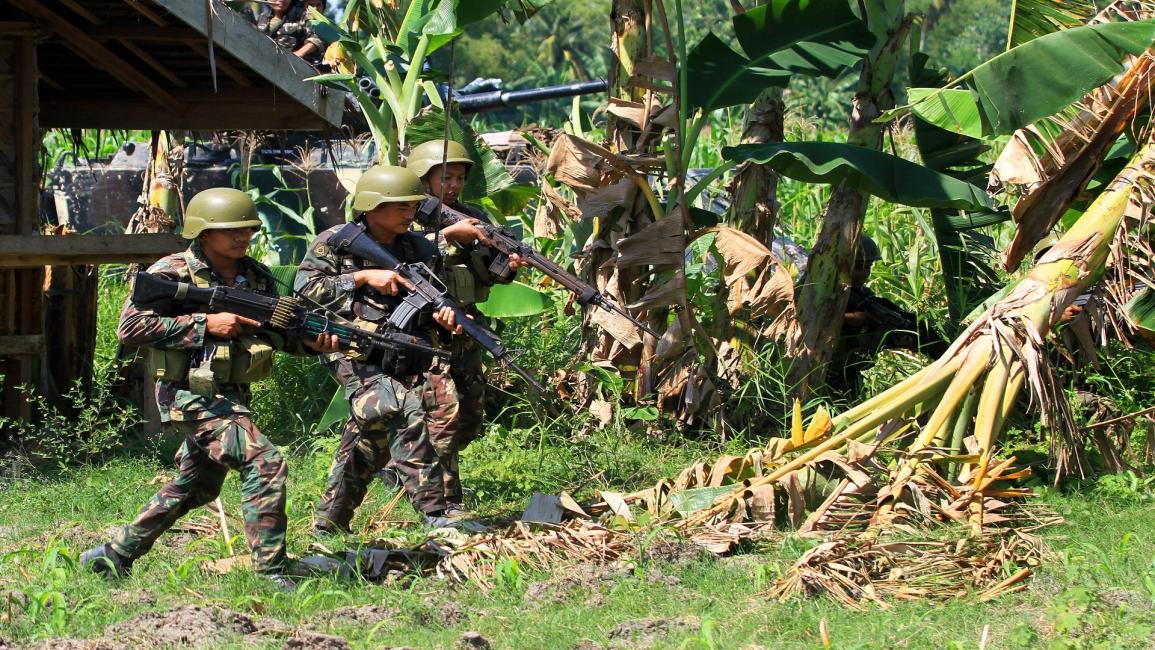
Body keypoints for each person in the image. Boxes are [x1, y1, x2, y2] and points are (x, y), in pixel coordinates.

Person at [80, 188, 339, 588]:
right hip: (188, 392)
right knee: (264, 461)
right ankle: (271, 572)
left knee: (196, 485)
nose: (241, 237)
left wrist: (310, 343)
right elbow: (129, 329)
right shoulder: (172, 271)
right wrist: (204, 324)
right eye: (229, 230)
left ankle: (113, 556)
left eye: (247, 229)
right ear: (203, 232)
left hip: (231, 392)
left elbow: (275, 333)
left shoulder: (256, 275)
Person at [296, 165, 466, 535]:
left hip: (401, 348)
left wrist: (445, 317)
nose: (409, 214)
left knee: (371, 436)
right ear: (371, 207)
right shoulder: (336, 241)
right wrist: (360, 277)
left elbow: (428, 305)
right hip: (349, 347)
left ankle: (329, 522)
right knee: (398, 409)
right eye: (400, 207)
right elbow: (305, 292)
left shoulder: (418, 247)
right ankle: (436, 513)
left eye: (412, 207)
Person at [391, 139, 522, 516]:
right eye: (445, 177)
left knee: (470, 415)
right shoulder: (405, 215)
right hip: (425, 328)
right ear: (422, 179)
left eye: (460, 178)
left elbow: (488, 273)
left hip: (465, 327)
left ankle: (402, 466)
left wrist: (507, 266)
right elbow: (399, 252)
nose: (453, 185)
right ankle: (445, 502)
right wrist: (449, 235)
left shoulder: (471, 215)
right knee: (442, 413)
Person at [830, 235, 948, 394]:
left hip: (848, 380)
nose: (865, 273)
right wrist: (851, 319)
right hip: (818, 374)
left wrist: (896, 339)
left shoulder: (864, 296)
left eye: (869, 266)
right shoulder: (819, 290)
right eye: (859, 267)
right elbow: (811, 319)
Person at [252, 0, 325, 64]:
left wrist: (297, 54)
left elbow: (317, 39)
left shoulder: (302, 17)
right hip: (261, 61)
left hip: (291, 68)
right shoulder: (262, 17)